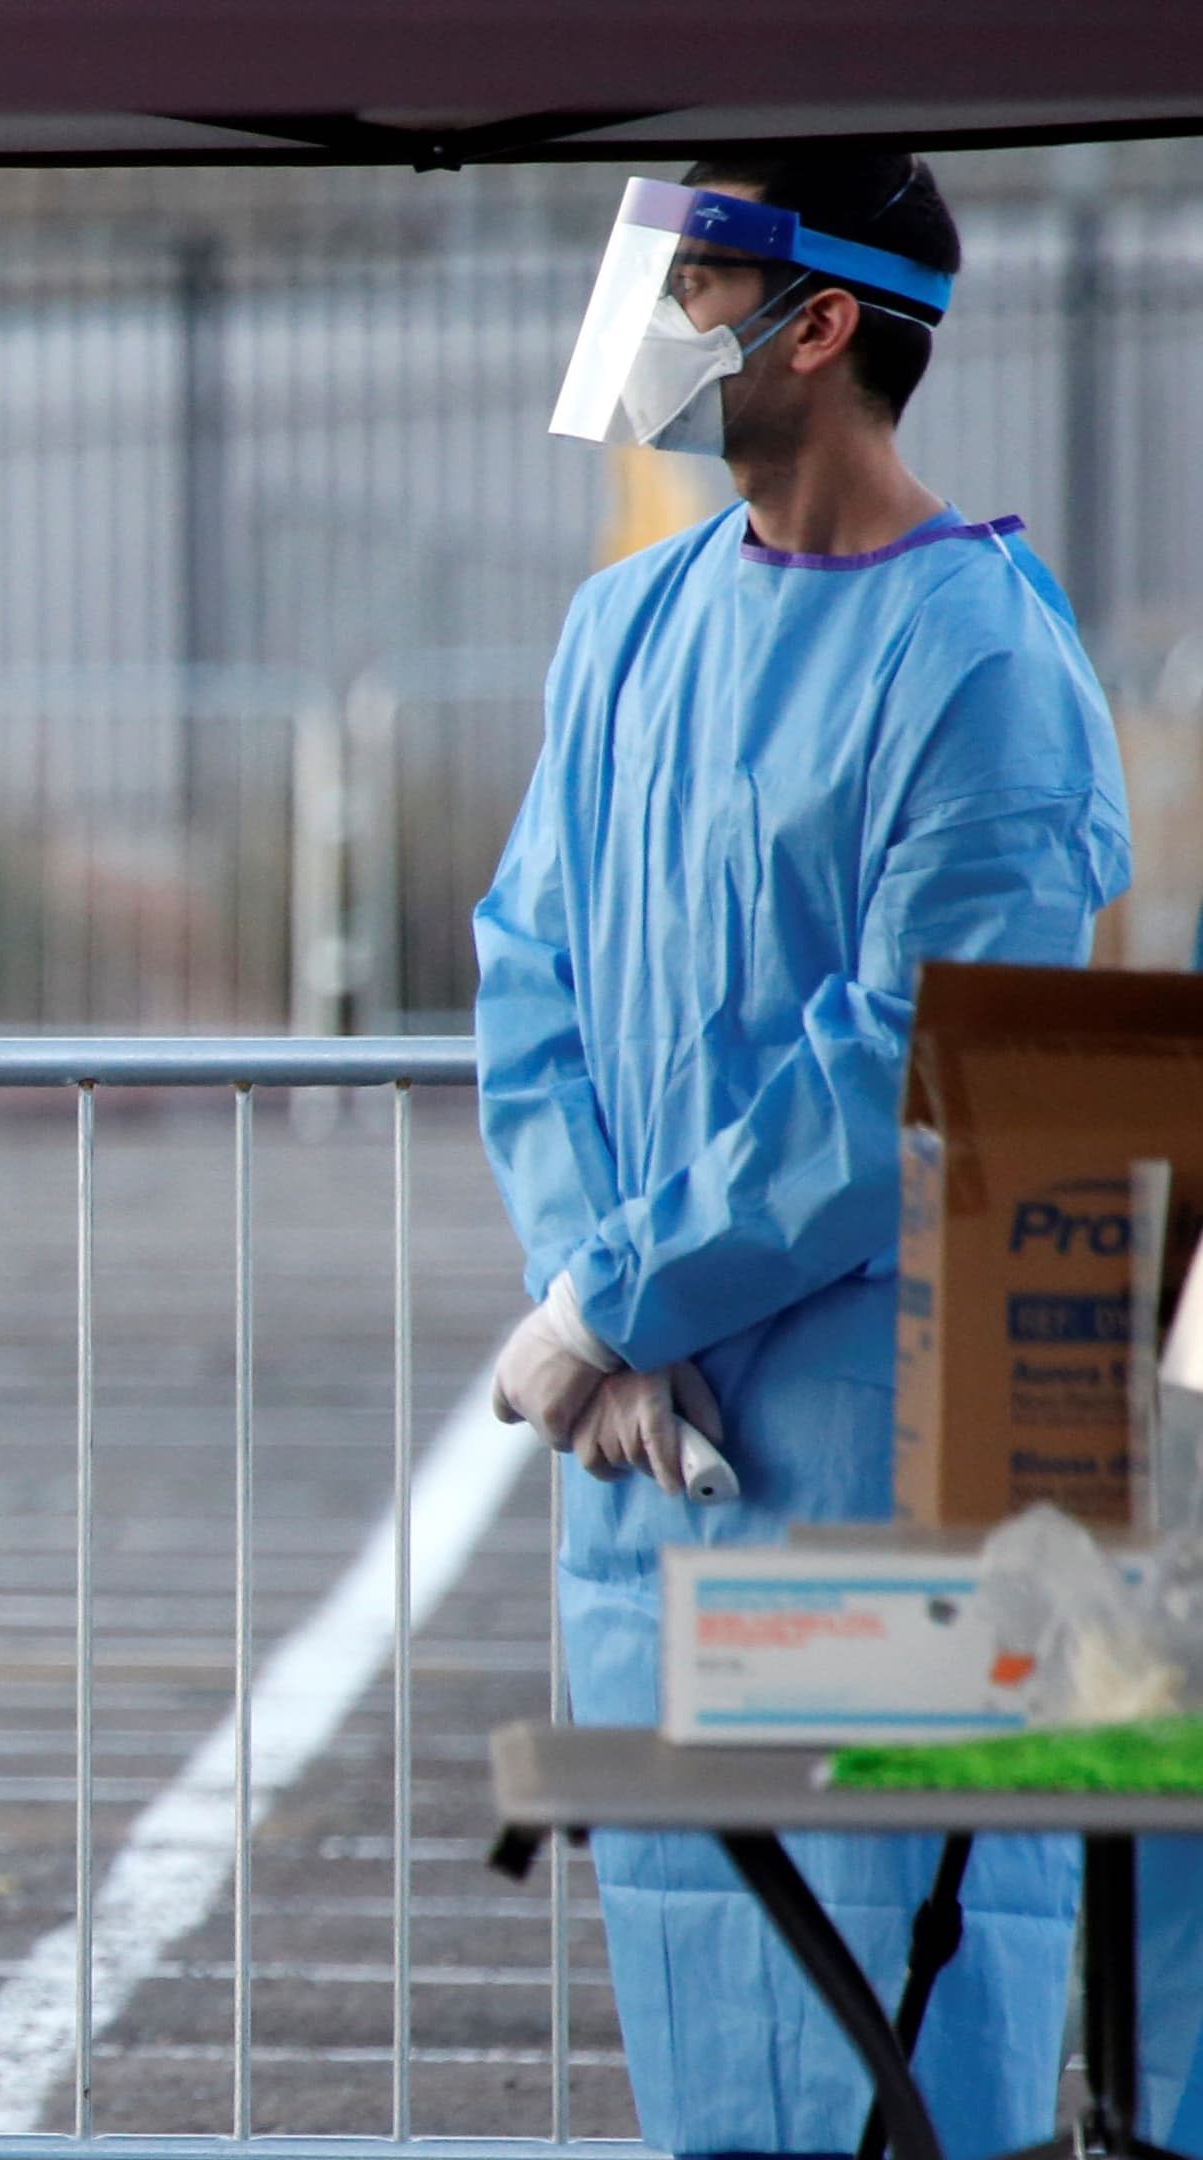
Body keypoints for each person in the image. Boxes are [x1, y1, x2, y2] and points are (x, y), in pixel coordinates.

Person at [488, 150, 1125, 2159]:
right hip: (656, 1468)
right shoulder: (626, 629)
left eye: (696, 288)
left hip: (890, 1474)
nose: (662, 330)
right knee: (709, 2045)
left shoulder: (989, 669)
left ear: (820, 323)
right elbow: (537, 978)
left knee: (909, 2044)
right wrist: (613, 1308)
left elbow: (905, 1075)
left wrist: (610, 1298)